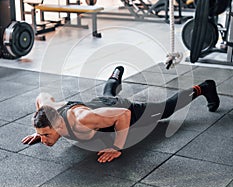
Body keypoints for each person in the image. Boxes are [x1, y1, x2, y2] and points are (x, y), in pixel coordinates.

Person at [22, 66, 220, 163]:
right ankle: (116, 74)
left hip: (123, 110)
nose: (44, 139)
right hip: (100, 105)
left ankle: (204, 87)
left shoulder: (82, 120)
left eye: (47, 134)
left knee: (166, 110)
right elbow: (41, 96)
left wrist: (117, 147)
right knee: (107, 94)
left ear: (58, 125)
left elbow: (123, 115)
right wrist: (40, 131)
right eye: (43, 134)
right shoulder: (48, 111)